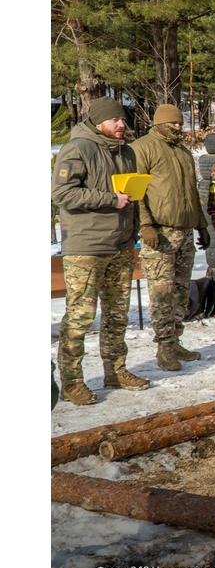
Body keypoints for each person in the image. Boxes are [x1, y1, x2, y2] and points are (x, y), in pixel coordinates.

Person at [52, 96, 150, 404]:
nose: (122, 125)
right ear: (99, 123)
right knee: (80, 317)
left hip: (120, 245)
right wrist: (110, 199)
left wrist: (132, 231)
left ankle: (115, 370)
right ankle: (70, 381)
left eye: (123, 119)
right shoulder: (77, 148)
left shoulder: (127, 151)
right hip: (87, 247)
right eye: (116, 120)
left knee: (117, 315)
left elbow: (131, 197)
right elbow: (62, 193)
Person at [133, 104, 208, 371]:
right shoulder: (142, 148)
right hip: (160, 234)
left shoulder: (184, 153)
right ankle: (164, 347)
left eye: (180, 123)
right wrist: (146, 226)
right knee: (162, 294)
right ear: (159, 124)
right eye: (173, 124)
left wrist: (202, 226)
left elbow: (192, 194)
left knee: (180, 291)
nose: (179, 127)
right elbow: (135, 193)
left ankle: (175, 340)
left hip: (184, 232)